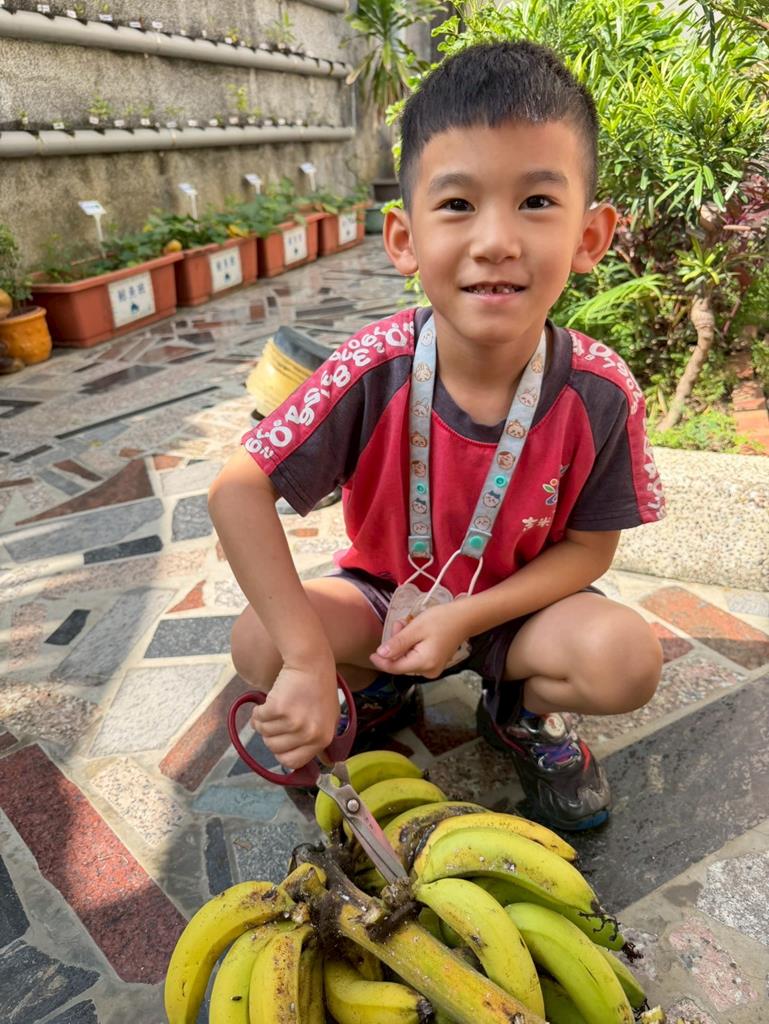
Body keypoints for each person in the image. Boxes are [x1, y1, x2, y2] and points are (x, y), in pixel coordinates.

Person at [208, 40, 666, 832]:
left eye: (535, 201)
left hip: (515, 616)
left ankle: (518, 713)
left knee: (624, 659)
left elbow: (590, 552)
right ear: (403, 238)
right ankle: (376, 688)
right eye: (456, 204)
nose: (495, 240)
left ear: (589, 237)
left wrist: (464, 617)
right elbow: (235, 489)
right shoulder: (373, 366)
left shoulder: (599, 391)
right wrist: (309, 659)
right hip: (382, 598)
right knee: (261, 641)